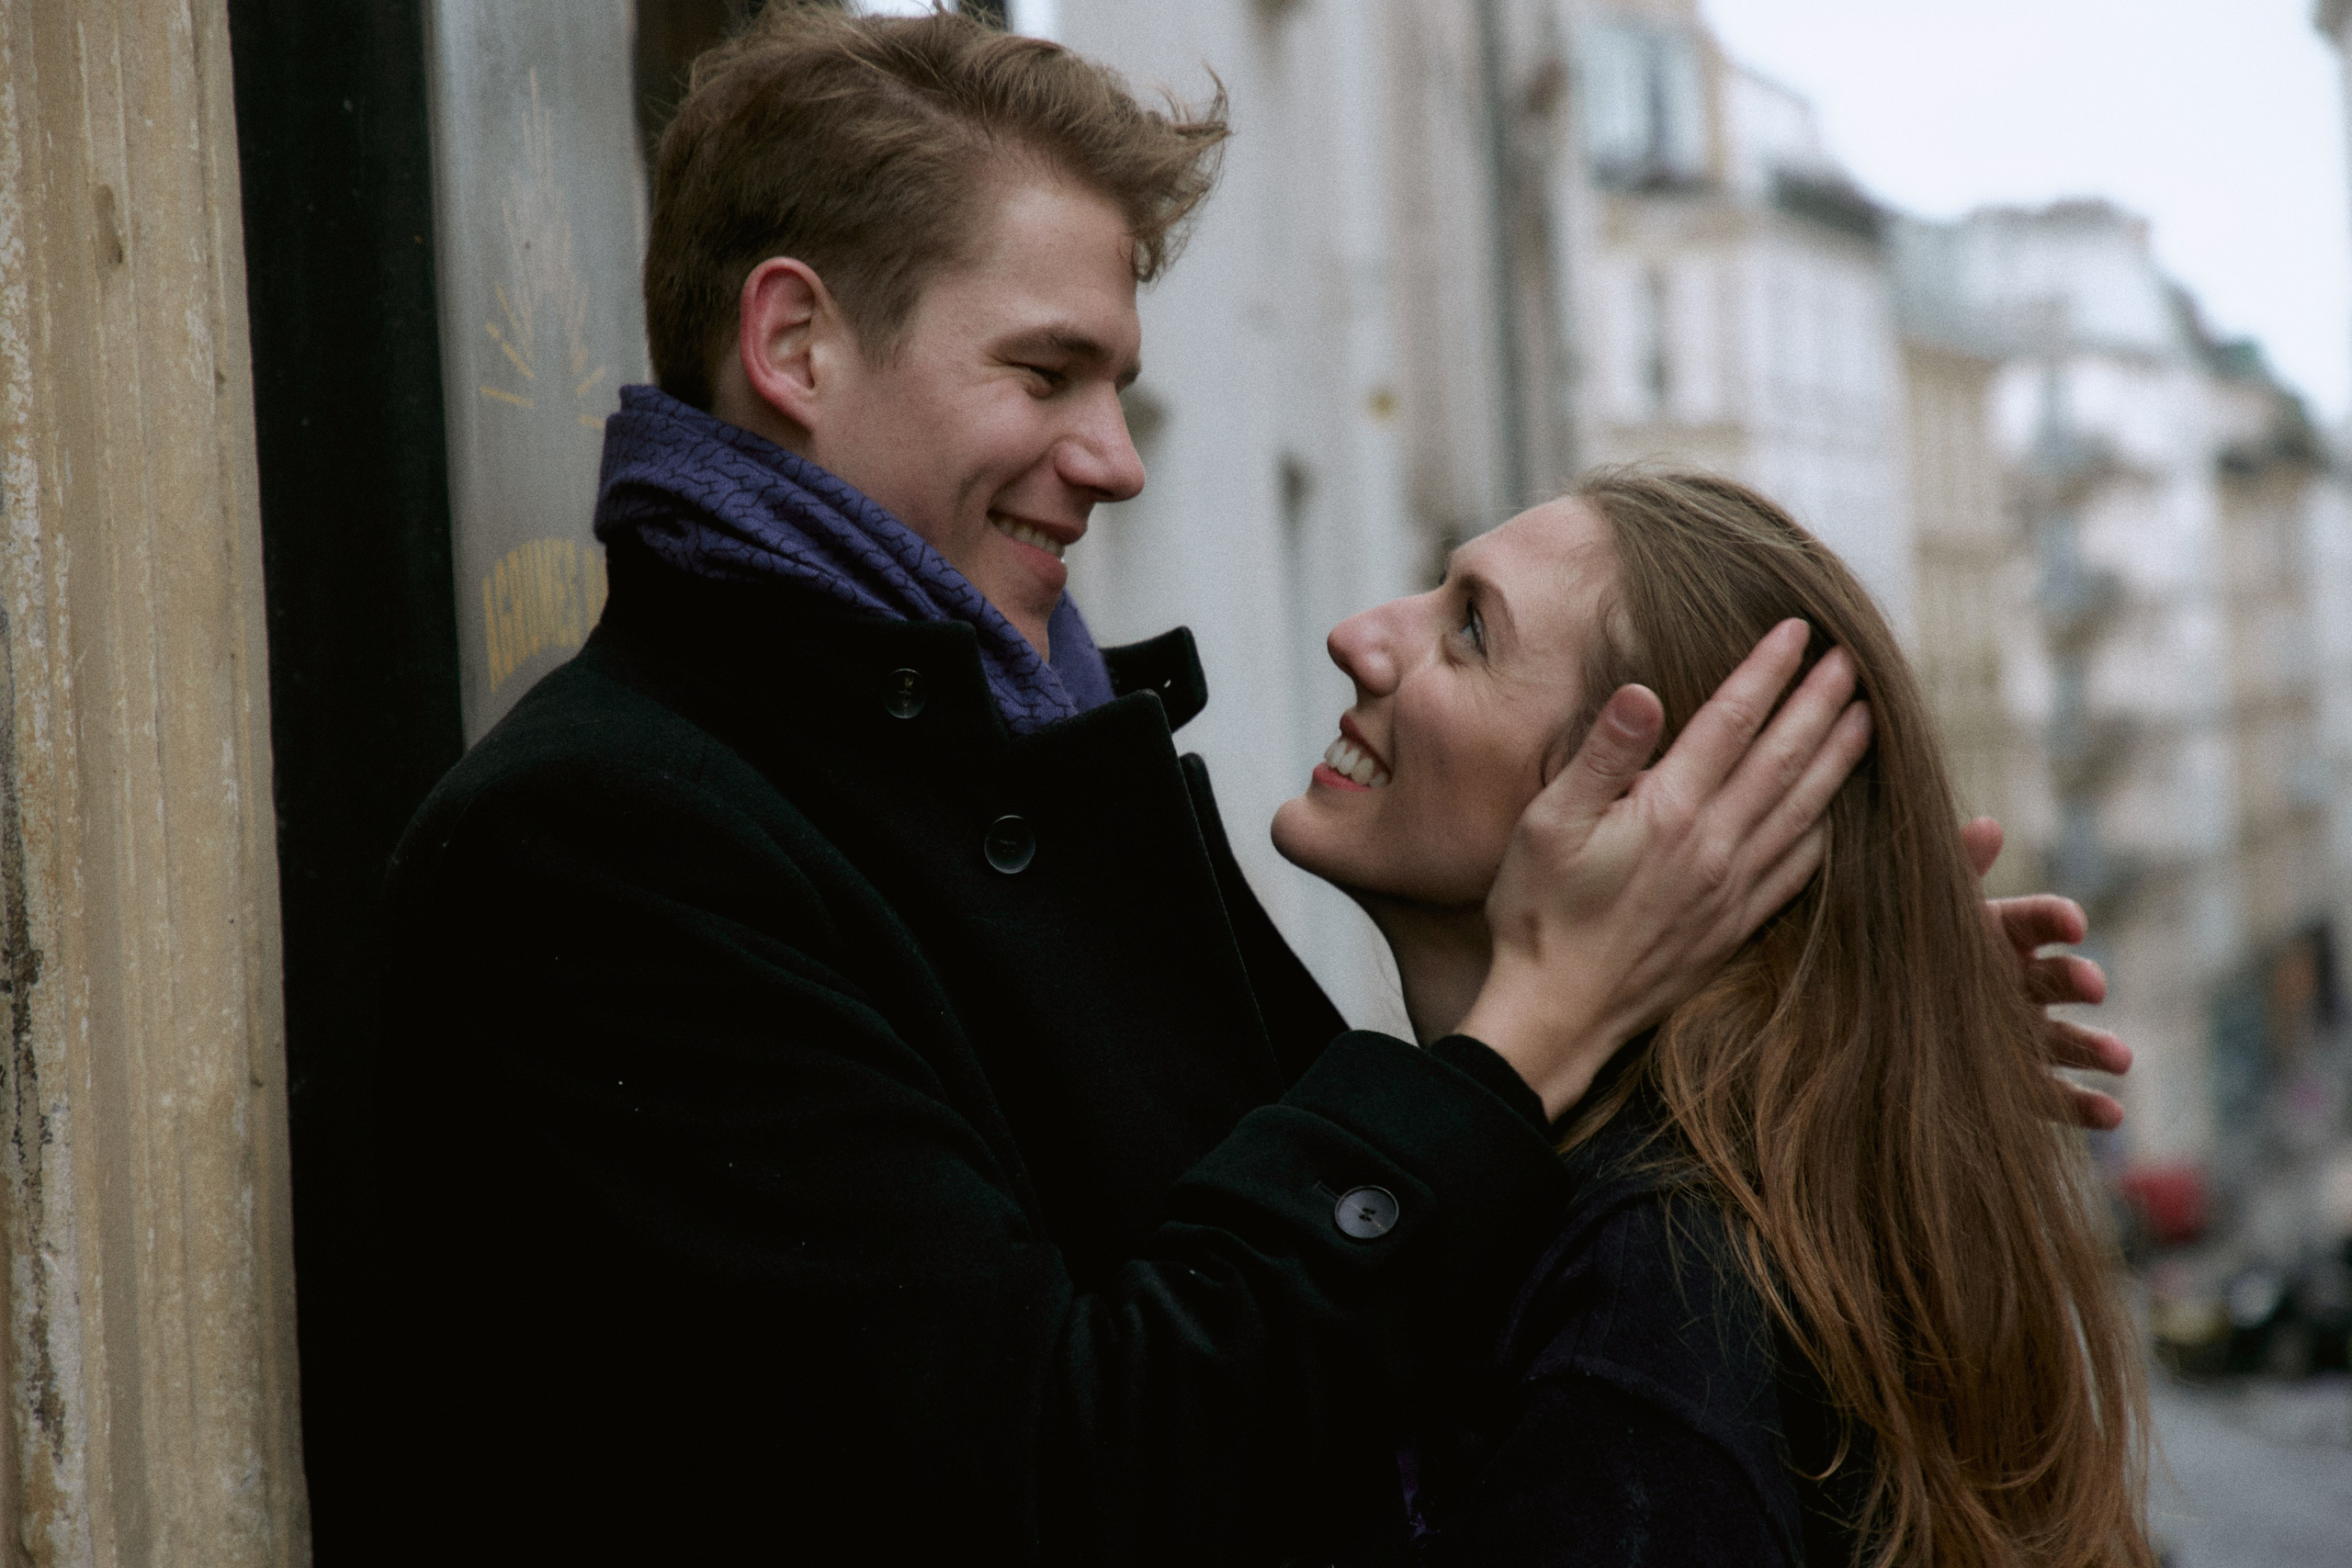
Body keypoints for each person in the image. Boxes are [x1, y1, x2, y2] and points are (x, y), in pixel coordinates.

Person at [360, 8, 2117, 1563]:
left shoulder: (997, 748)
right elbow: (1062, 1481)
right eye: (1046, 374)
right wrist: (1537, 1030)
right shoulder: (606, 849)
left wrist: (1820, 1011)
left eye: (1118, 385)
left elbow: (1364, 1313)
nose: (1115, 461)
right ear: (796, 345)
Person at [1272, 470, 2152, 1567]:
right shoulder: (1642, 1240)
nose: (1359, 635)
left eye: (1468, 632)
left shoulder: (1648, 1300)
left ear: (1656, 816)